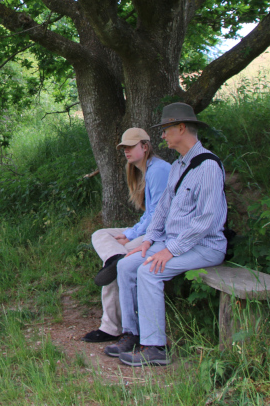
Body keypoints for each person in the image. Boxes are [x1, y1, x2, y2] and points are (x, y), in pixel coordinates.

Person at [104, 103, 227, 367]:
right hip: (175, 243)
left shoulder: (208, 167)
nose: (162, 135)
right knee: (126, 265)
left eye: (166, 129)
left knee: (149, 270)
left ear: (181, 128)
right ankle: (132, 333)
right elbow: (162, 210)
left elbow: (206, 220)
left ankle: (155, 346)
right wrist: (149, 241)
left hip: (205, 246)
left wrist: (169, 250)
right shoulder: (179, 166)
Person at [81, 128, 170, 343]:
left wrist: (130, 236)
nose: (127, 151)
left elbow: (159, 216)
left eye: (131, 146)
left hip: (160, 235)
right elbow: (150, 214)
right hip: (147, 230)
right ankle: (113, 258)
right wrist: (130, 234)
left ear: (145, 146)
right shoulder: (144, 170)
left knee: (119, 262)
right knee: (101, 235)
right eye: (124, 148)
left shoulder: (158, 170)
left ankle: (111, 327)